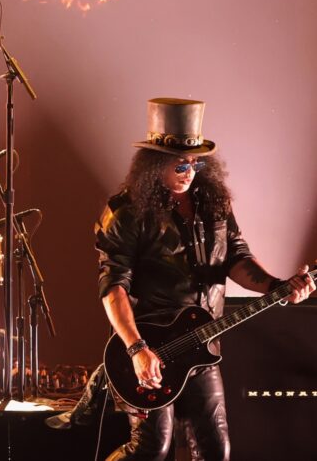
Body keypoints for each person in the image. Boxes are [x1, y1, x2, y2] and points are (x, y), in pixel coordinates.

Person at [96, 98, 314, 460]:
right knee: (152, 448)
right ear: (155, 164)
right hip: (149, 348)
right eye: (181, 163)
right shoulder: (128, 212)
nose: (189, 171)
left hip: (202, 344)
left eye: (196, 162)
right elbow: (113, 287)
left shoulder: (213, 202)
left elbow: (236, 259)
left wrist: (278, 287)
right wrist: (136, 349)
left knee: (217, 449)